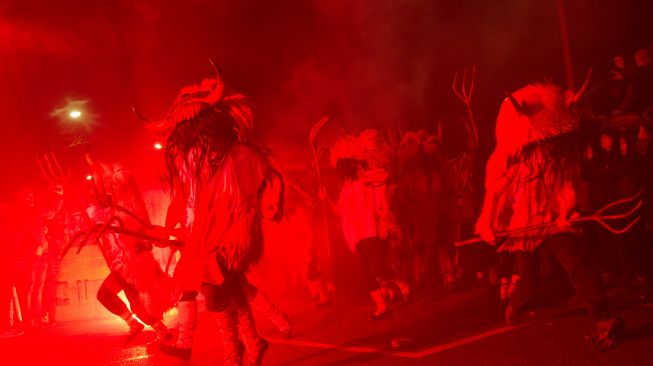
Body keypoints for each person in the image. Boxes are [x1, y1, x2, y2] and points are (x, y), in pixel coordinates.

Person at [140, 63, 284, 366]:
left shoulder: (237, 155)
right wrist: (169, 229)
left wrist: (274, 204)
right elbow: (182, 197)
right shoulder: (188, 159)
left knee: (218, 294)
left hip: (229, 234)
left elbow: (269, 174)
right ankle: (251, 344)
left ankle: (236, 352)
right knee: (225, 291)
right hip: (199, 236)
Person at [476, 82, 624, 350]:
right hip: (524, 224)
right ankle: (515, 306)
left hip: (551, 219)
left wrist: (566, 213)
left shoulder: (559, 153)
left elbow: (566, 184)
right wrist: (487, 223)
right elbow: (495, 194)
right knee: (530, 279)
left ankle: (604, 315)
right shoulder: (510, 158)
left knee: (576, 264)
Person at [81, 156, 174, 343]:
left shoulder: (121, 207)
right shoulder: (101, 211)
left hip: (131, 263)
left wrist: (94, 163)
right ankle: (143, 326)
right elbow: (94, 217)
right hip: (120, 264)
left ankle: (159, 330)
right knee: (113, 297)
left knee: (135, 301)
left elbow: (117, 185)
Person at [331, 129, 409, 319]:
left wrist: (362, 169)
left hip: (372, 231)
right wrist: (325, 199)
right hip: (357, 237)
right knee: (367, 276)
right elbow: (341, 213)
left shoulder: (367, 180)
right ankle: (382, 304)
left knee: (379, 269)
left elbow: (384, 177)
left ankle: (402, 285)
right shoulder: (345, 190)